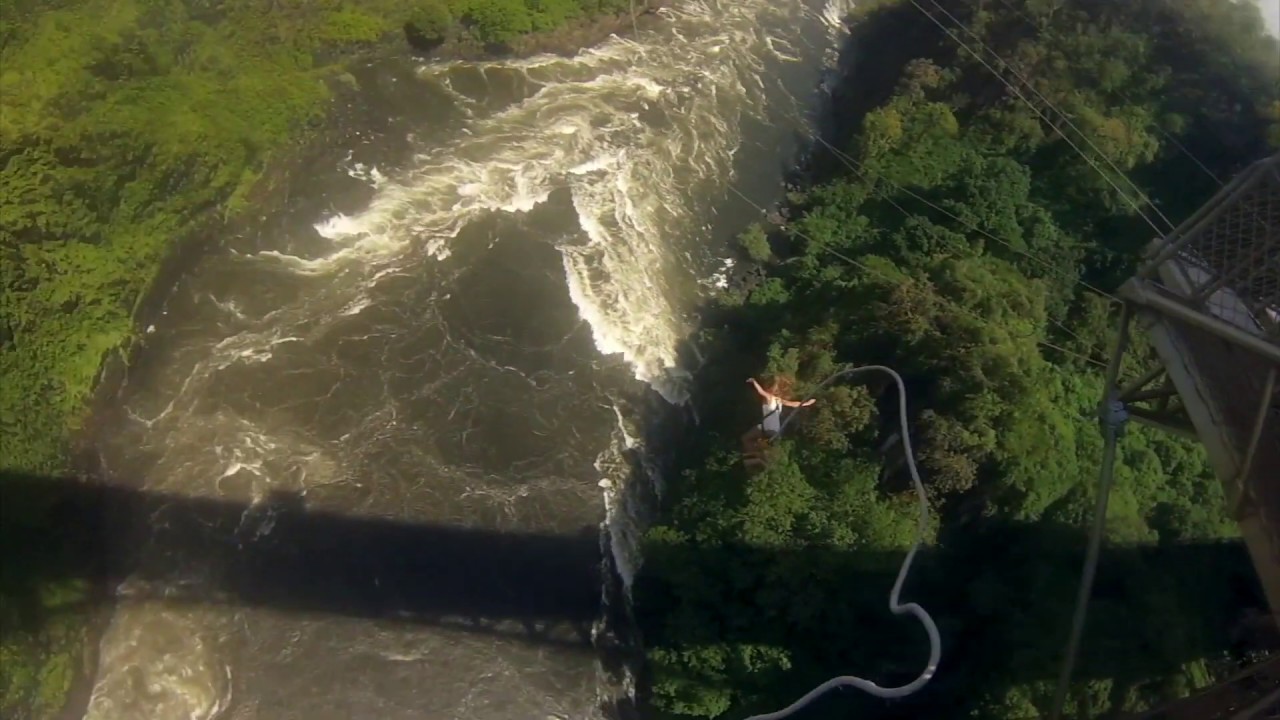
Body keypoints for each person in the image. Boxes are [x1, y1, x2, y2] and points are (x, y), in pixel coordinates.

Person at [741, 376, 816, 470]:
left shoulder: (770, 397)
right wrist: (807, 403)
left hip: (769, 428)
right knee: (748, 438)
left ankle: (757, 457)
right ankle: (757, 456)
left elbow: (761, 392)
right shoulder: (779, 400)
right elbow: (795, 404)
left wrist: (754, 382)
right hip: (770, 428)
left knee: (747, 439)